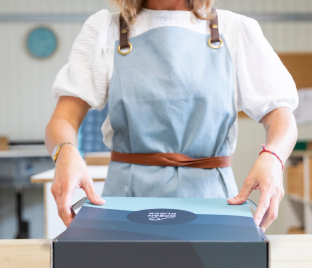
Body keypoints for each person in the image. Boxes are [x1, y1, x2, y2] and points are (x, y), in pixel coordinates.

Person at [45, 0, 298, 232]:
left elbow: (281, 116)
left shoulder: (235, 29)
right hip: (125, 204)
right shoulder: (105, 29)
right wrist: (64, 152)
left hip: (214, 204)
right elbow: (63, 120)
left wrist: (274, 157)